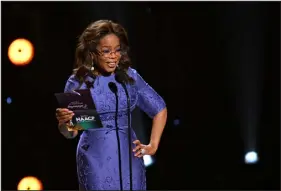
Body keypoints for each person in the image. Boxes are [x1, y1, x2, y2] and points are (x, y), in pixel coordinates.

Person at [55, 20, 167, 190]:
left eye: (117, 50)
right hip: (95, 160)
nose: (113, 56)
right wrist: (65, 123)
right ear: (92, 53)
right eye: (106, 51)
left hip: (130, 158)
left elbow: (159, 108)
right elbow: (71, 133)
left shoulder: (129, 77)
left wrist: (152, 145)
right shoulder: (80, 81)